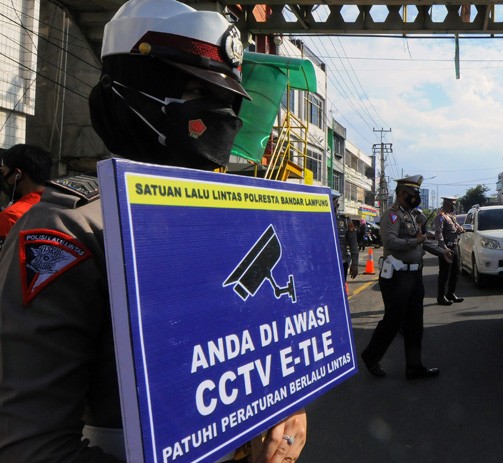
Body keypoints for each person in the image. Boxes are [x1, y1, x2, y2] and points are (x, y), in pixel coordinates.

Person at [0, 1, 306, 462]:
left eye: (228, 101)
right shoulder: (72, 228)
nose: (222, 116)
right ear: (136, 90)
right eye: (196, 90)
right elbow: (31, 447)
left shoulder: (227, 219)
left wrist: (283, 412)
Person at [360, 175, 440, 380]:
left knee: (415, 324)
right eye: (412, 194)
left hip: (414, 276)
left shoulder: (412, 215)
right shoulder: (392, 215)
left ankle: (414, 367)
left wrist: (442, 252)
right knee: (393, 321)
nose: (415, 198)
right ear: (402, 193)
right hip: (397, 276)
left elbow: (421, 240)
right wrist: (415, 241)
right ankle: (371, 356)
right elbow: (390, 241)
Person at [0, 144, 52, 247]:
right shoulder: (62, 204)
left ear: (17, 174)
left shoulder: (12, 215)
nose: (3, 177)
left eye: (4, 171)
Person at [433, 196, 464, 305]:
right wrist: (444, 249)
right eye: (452, 204)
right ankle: (441, 297)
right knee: (444, 274)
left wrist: (460, 229)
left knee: (456, 272)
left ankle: (450, 293)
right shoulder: (440, 217)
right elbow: (438, 233)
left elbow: (456, 228)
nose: (454, 206)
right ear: (447, 204)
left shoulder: (451, 217)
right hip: (446, 249)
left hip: (455, 247)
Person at [332, 190, 359, 280]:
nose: (334, 205)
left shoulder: (345, 221)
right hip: (323, 263)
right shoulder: (318, 220)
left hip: (341, 262)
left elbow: (353, 244)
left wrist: (354, 264)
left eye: (335, 203)